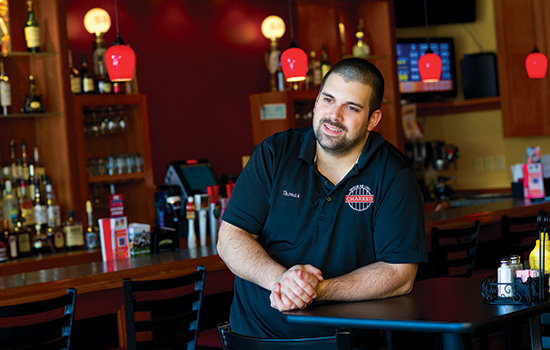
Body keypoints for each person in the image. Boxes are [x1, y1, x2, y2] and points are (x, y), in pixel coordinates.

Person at [217, 57, 427, 344]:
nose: (334, 115)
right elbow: (231, 237)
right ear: (316, 102)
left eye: (351, 107)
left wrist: (318, 289)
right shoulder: (275, 154)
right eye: (328, 100)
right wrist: (281, 280)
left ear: (373, 120)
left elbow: (400, 274)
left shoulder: (393, 175)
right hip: (253, 337)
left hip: (342, 341)